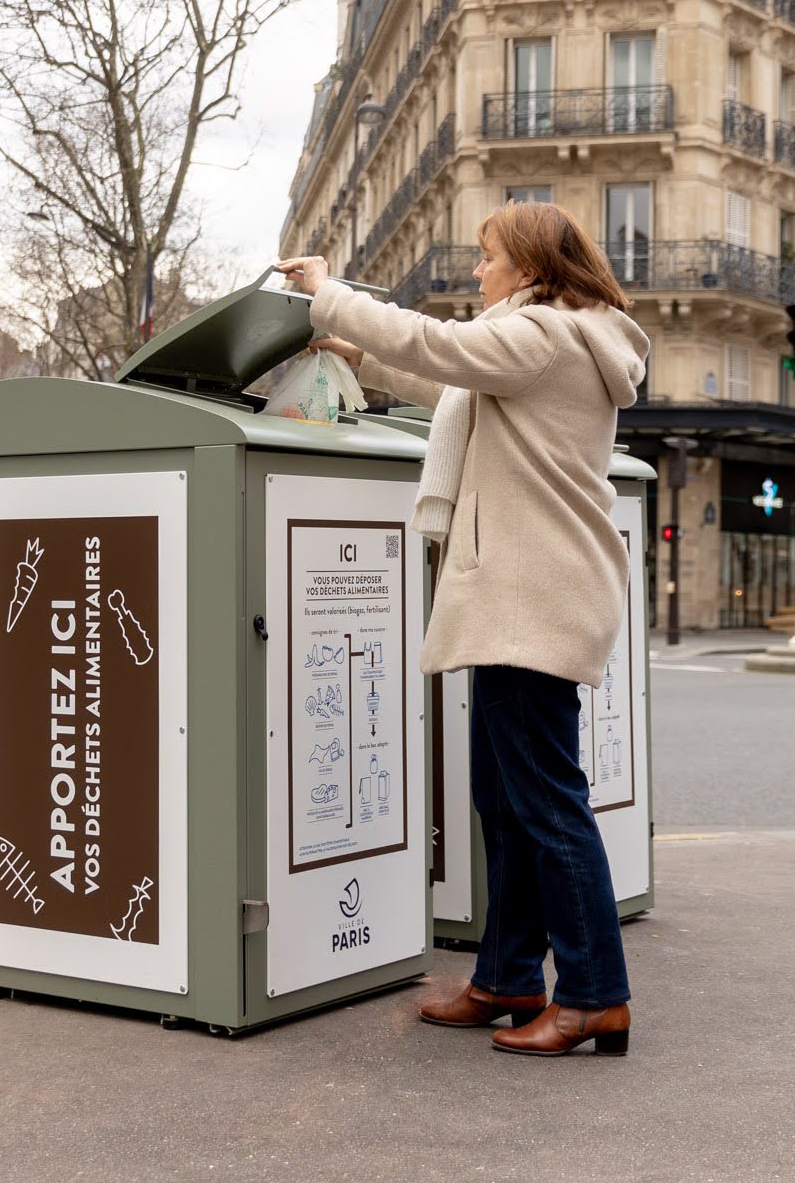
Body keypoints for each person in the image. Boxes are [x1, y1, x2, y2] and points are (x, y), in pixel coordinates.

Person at [276, 199, 650, 1059]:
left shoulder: (546, 333)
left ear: (527, 266)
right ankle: (510, 976)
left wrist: (330, 295)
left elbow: (443, 349)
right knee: (510, 803)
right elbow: (457, 382)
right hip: (525, 588)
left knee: (549, 806)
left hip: (532, 592)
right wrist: (356, 353)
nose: (476, 273)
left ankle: (595, 995)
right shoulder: (549, 337)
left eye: (486, 259)